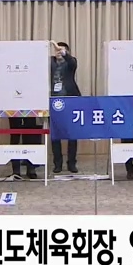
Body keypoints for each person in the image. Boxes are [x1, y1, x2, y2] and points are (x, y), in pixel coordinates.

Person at [50, 40, 81, 174]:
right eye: (56, 50)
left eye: (61, 50)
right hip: (53, 101)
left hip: (70, 100)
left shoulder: (70, 62)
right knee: (55, 134)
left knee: (72, 133)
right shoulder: (49, 62)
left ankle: (71, 163)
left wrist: (63, 52)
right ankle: (57, 163)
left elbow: (73, 63)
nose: (58, 52)